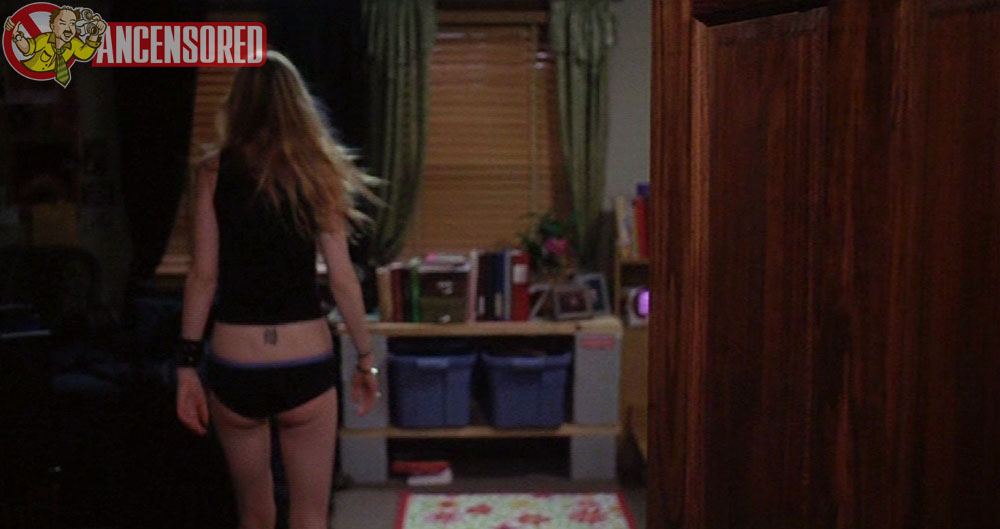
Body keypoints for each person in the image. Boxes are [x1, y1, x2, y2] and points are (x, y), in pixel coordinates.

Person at [174, 50, 381, 529]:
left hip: (237, 362)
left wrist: (186, 367)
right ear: (297, 105)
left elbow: (202, 276)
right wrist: (366, 358)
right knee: (310, 516)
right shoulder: (317, 172)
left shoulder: (211, 171)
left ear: (238, 103)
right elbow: (342, 277)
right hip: (304, 358)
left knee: (255, 515)